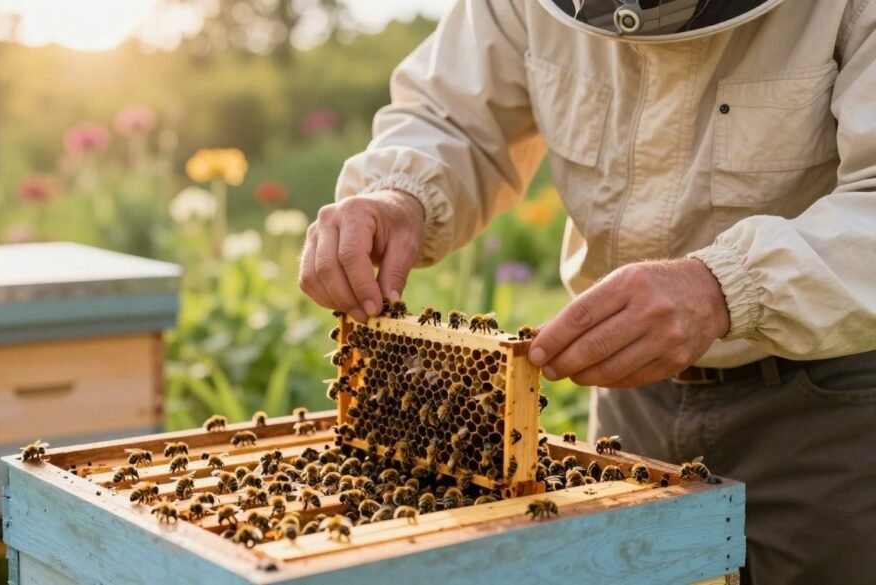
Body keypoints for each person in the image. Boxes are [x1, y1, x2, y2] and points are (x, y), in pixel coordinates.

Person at [297, 1, 876, 583]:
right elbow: (453, 115)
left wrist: (725, 287)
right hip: (631, 402)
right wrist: (400, 193)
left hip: (829, 405)